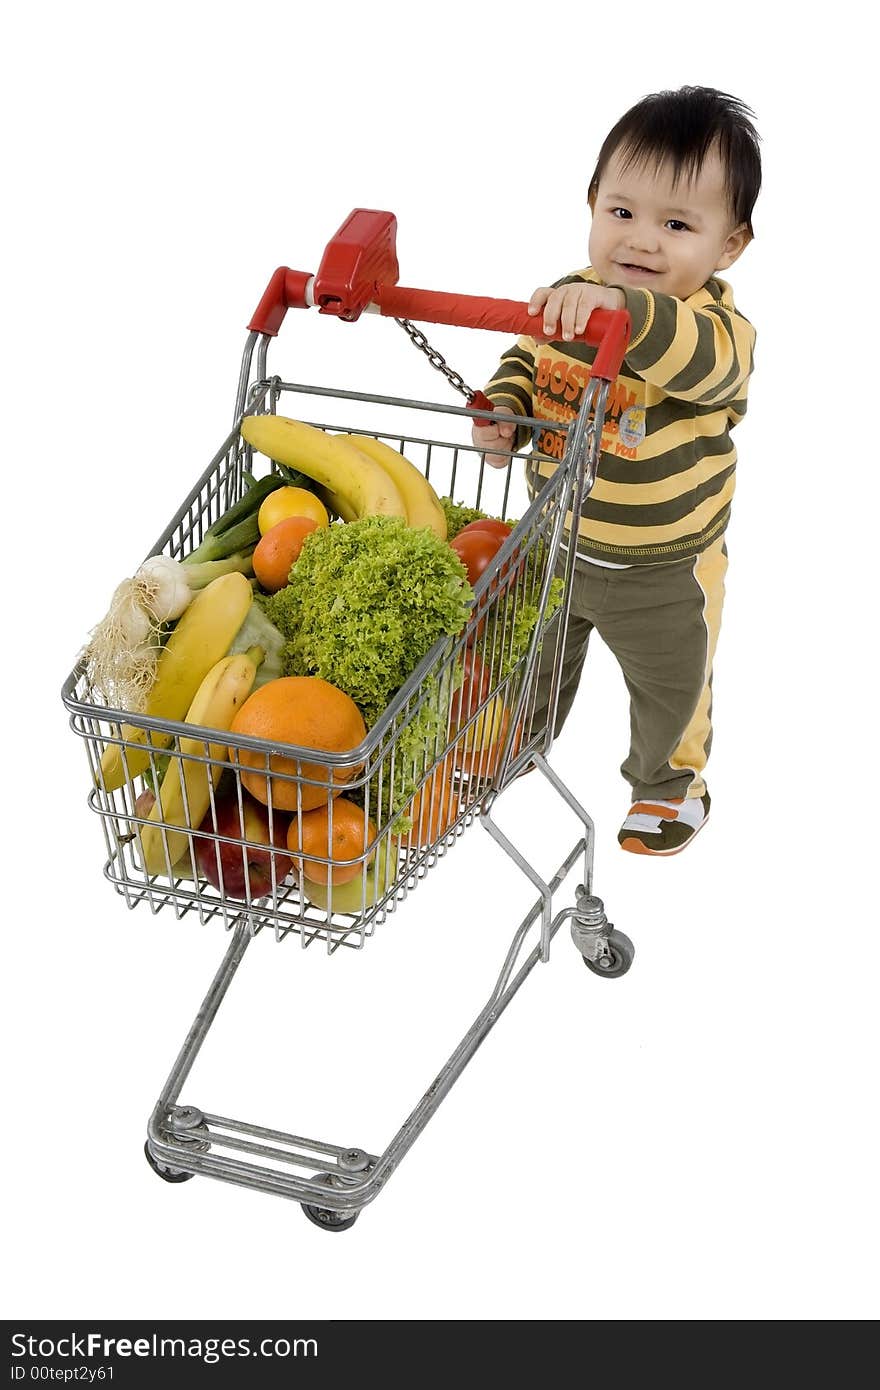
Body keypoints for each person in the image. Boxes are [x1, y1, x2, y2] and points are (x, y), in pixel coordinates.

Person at [474, 86, 761, 856]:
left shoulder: (716, 331)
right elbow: (524, 357)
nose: (643, 241)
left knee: (673, 687)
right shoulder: (573, 298)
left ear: (728, 246)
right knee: (522, 657)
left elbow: (697, 363)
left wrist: (619, 312)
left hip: (664, 569)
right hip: (557, 544)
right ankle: (512, 741)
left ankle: (669, 786)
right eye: (624, 213)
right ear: (593, 202)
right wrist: (504, 408)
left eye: (677, 225)